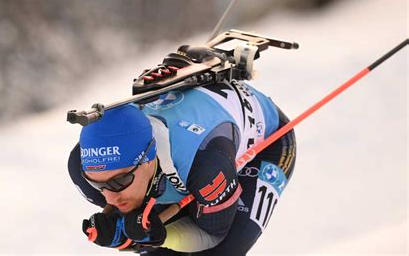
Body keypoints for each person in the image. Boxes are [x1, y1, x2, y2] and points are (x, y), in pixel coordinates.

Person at [68, 78, 297, 255]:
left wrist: (161, 236)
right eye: (97, 185)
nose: (109, 198)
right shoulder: (87, 169)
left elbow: (213, 235)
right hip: (179, 164)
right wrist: (128, 235)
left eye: (120, 181)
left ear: (148, 159)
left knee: (223, 252)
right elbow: (136, 227)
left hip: (266, 141)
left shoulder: (206, 164)